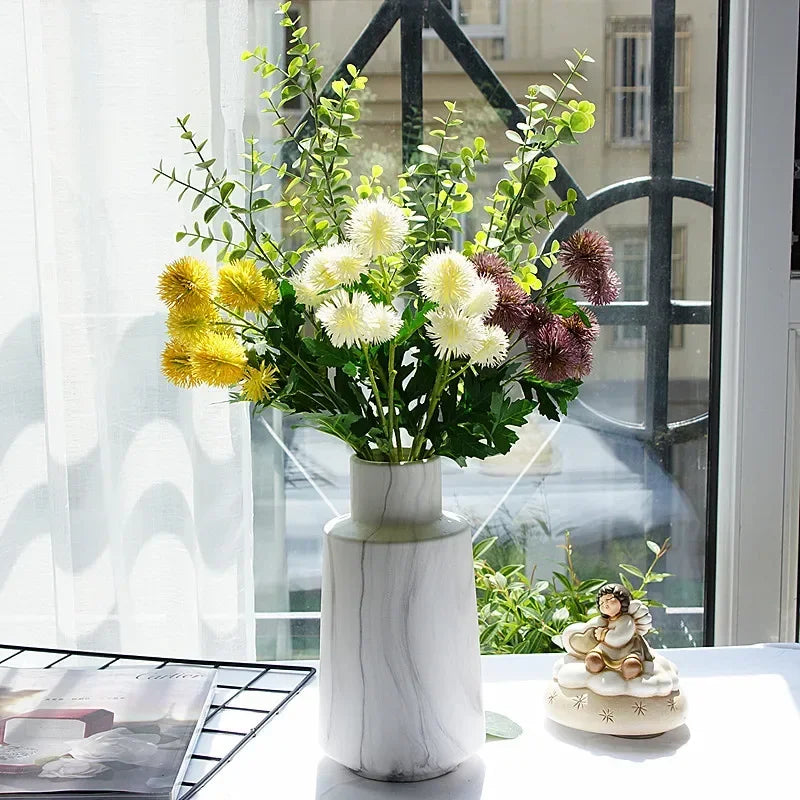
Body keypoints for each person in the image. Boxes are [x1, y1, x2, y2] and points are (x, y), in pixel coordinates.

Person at [560, 583, 654, 680]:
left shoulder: (626, 619)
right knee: (593, 658)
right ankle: (596, 663)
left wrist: (603, 634)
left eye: (608, 600)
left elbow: (619, 638)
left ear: (622, 600)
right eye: (601, 603)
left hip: (627, 650)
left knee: (631, 664)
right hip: (606, 648)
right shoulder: (605, 621)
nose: (605, 604)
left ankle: (630, 671)